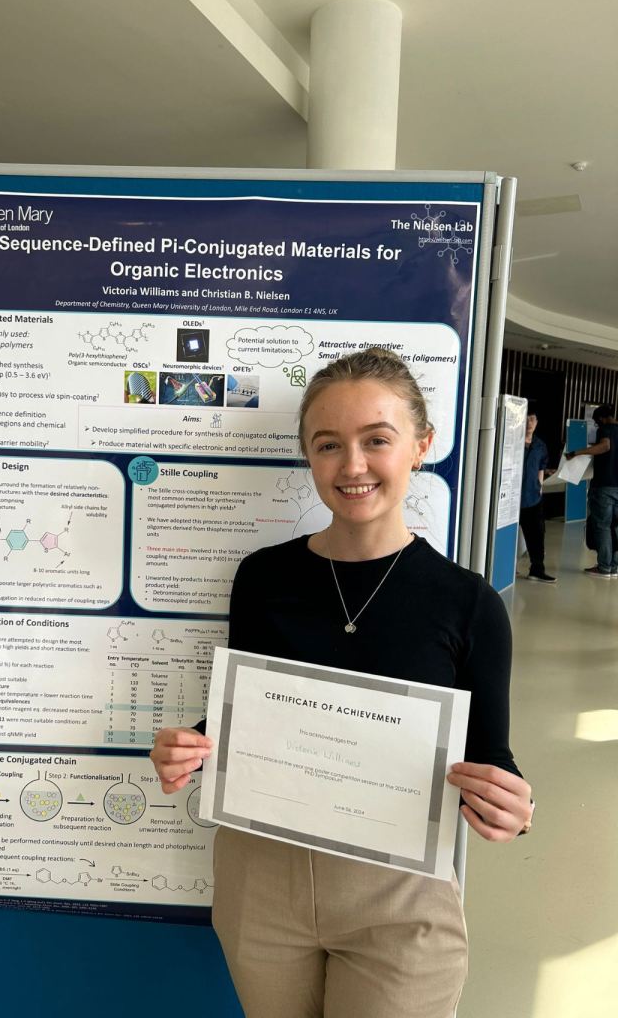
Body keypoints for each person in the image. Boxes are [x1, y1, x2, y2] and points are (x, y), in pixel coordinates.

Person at [150, 349, 533, 1018]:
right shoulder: (262, 578)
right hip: (261, 879)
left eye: (376, 440)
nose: (352, 466)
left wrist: (510, 805)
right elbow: (252, 717)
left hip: (399, 891)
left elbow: (490, 757)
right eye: (328, 445)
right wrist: (192, 746)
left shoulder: (467, 603)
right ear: (308, 455)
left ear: (421, 446)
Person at [566, 403, 618, 578]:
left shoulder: (605, 429)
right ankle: (614, 566)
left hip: (604, 486)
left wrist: (577, 452)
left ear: (602, 419)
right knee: (615, 527)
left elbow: (605, 446)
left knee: (603, 526)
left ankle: (604, 567)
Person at [518, 407, 556, 583]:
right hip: (511, 499)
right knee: (508, 536)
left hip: (532, 497)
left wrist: (540, 486)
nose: (529, 423)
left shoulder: (540, 445)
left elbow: (542, 466)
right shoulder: (512, 441)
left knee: (537, 535)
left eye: (532, 419)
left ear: (537, 422)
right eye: (526, 419)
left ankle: (537, 570)